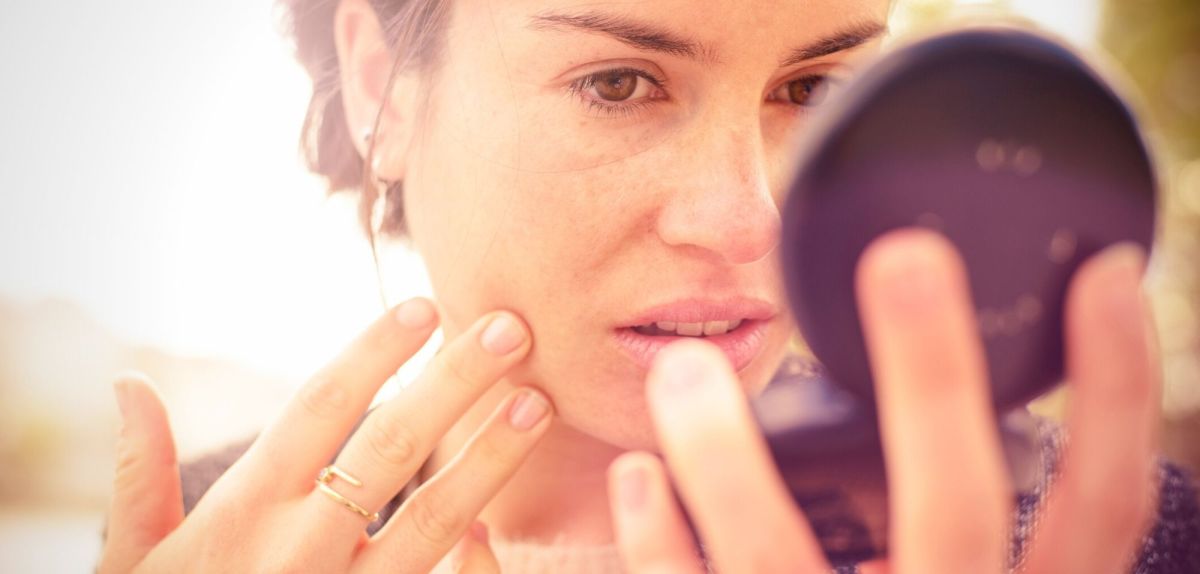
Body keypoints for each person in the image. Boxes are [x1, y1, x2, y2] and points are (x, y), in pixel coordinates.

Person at [98, 0, 1200, 572]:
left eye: (814, 85)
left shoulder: (1121, 542)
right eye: (619, 82)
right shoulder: (194, 538)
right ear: (381, 78)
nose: (747, 219)